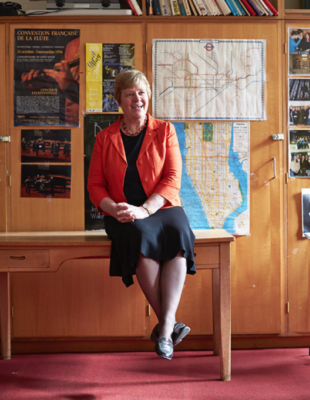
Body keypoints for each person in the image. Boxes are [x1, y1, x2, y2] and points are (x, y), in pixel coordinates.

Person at [87, 70, 195, 361]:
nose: (138, 99)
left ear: (148, 96)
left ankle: (163, 330)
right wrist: (114, 208)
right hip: (122, 211)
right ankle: (170, 327)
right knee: (139, 235)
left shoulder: (165, 130)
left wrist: (146, 208)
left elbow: (172, 177)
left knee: (179, 234)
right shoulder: (104, 137)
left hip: (162, 206)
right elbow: (95, 185)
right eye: (130, 93)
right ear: (119, 100)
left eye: (142, 92)